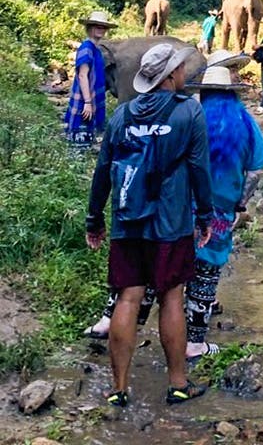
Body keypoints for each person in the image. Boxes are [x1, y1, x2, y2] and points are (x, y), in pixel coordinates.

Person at [82, 48, 255, 342]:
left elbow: (110, 168)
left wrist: (94, 216)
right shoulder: (233, 121)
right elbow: (248, 171)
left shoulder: (162, 112)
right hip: (202, 214)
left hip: (153, 212)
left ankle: (114, 328)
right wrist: (229, 206)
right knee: (194, 282)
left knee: (138, 285)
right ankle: (193, 346)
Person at [86, 43, 214, 407]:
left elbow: (103, 172)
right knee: (172, 296)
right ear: (171, 75)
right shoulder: (188, 111)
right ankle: (177, 383)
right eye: (180, 70)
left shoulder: (122, 115)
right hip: (170, 224)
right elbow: (199, 170)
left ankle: (118, 388)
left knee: (128, 297)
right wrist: (205, 215)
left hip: (127, 220)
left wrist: (94, 218)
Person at [184, 65, 263, 360]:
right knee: (207, 274)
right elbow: (257, 170)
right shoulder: (245, 122)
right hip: (220, 213)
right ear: (233, 93)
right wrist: (239, 204)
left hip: (183, 207)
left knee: (175, 267)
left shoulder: (190, 117)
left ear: (203, 91)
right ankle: (194, 341)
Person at [64, 10, 117, 152]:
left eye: (103, 27)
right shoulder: (86, 48)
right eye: (96, 26)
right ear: (89, 28)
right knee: (78, 146)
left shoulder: (96, 49)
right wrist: (87, 102)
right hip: (83, 100)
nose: (101, 29)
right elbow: (83, 76)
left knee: (86, 143)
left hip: (89, 99)